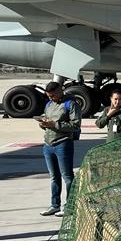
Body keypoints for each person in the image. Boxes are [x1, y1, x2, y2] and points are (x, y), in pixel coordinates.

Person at [37, 81, 81, 217]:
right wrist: (43, 124)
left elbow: (75, 125)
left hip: (63, 144)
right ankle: (55, 205)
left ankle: (70, 205)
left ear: (60, 91)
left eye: (53, 96)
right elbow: (47, 120)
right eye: (49, 96)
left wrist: (55, 124)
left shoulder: (70, 104)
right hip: (48, 144)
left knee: (67, 177)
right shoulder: (49, 105)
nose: (51, 98)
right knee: (54, 177)